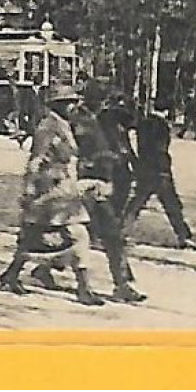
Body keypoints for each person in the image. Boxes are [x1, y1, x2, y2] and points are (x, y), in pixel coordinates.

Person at [0, 84, 105, 306]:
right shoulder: (48, 127)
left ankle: (13, 274)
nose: (74, 106)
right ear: (58, 105)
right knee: (74, 236)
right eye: (69, 102)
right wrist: (28, 189)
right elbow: (35, 160)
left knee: (40, 239)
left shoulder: (63, 125)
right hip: (49, 192)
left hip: (63, 191)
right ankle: (83, 289)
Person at [70, 102, 146, 303]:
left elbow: (125, 151)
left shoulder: (110, 125)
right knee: (79, 234)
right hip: (87, 186)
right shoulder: (83, 122)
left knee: (107, 235)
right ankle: (104, 285)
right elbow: (76, 154)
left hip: (102, 187)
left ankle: (121, 284)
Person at [122, 103, 196, 249]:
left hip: (147, 168)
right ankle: (183, 235)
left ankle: (121, 232)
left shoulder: (144, 127)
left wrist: (135, 161)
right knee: (170, 204)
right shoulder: (157, 126)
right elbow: (162, 148)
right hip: (159, 168)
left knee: (136, 203)